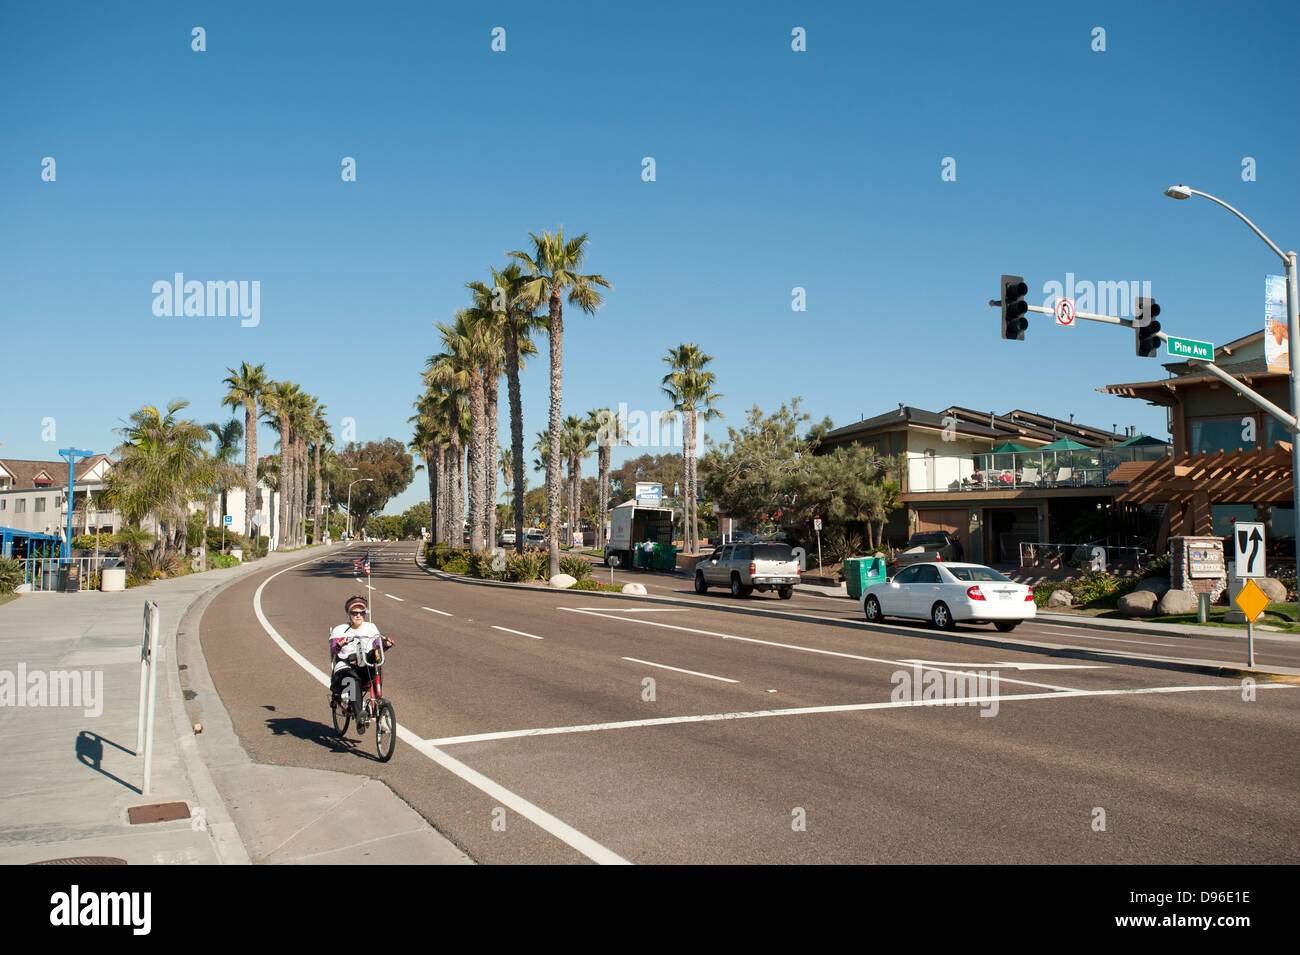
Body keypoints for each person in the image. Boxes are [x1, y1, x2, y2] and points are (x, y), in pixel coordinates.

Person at [329, 596, 393, 724]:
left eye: (361, 613)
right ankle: (360, 716)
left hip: (364, 664)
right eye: (355, 613)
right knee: (353, 681)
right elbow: (334, 650)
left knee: (376, 664)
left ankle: (378, 699)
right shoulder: (339, 630)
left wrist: (385, 645)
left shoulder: (371, 628)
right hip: (346, 666)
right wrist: (339, 645)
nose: (358, 616)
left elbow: (377, 647)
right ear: (349, 613)